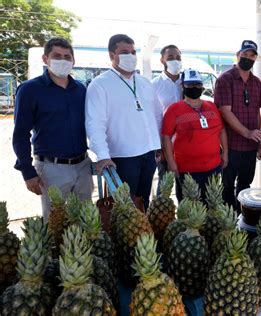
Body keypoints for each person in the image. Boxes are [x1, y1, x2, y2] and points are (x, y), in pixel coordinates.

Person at [12, 37, 93, 221]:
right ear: (45, 59)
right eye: (57, 56)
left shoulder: (81, 90)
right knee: (55, 225)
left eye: (67, 57)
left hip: (82, 167)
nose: (62, 61)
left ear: (73, 61)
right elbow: (20, 134)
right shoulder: (30, 90)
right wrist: (27, 171)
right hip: (51, 170)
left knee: (86, 223)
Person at [85, 34, 162, 209]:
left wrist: (158, 145)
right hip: (123, 157)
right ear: (112, 55)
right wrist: (103, 156)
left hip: (149, 154)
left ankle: (144, 236)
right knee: (124, 209)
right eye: (125, 52)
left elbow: (156, 115)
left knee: (143, 203)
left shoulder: (144, 83)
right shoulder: (100, 85)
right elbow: (95, 123)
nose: (131, 56)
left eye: (133, 52)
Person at [214, 40, 261, 211]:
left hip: (250, 147)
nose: (248, 58)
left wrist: (258, 141)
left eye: (252, 55)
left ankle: (242, 219)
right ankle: (228, 222)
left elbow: (259, 113)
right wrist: (247, 133)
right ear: (238, 55)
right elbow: (225, 111)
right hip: (231, 145)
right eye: (245, 54)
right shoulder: (225, 79)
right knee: (227, 187)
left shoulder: (257, 83)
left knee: (245, 185)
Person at [162, 68, 228, 201]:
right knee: (189, 210)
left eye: (197, 84)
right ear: (183, 86)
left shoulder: (212, 106)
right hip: (187, 170)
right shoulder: (173, 110)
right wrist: (171, 162)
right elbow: (166, 137)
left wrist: (225, 152)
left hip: (213, 167)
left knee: (212, 206)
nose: (194, 87)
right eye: (190, 84)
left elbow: (221, 131)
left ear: (202, 86)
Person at [151, 44, 182, 194]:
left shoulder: (188, 82)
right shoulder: (154, 85)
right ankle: (162, 217)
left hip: (185, 142)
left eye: (178, 57)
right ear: (162, 60)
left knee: (186, 185)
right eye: (170, 57)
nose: (175, 60)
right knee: (164, 187)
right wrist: (158, 145)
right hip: (164, 142)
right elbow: (152, 117)